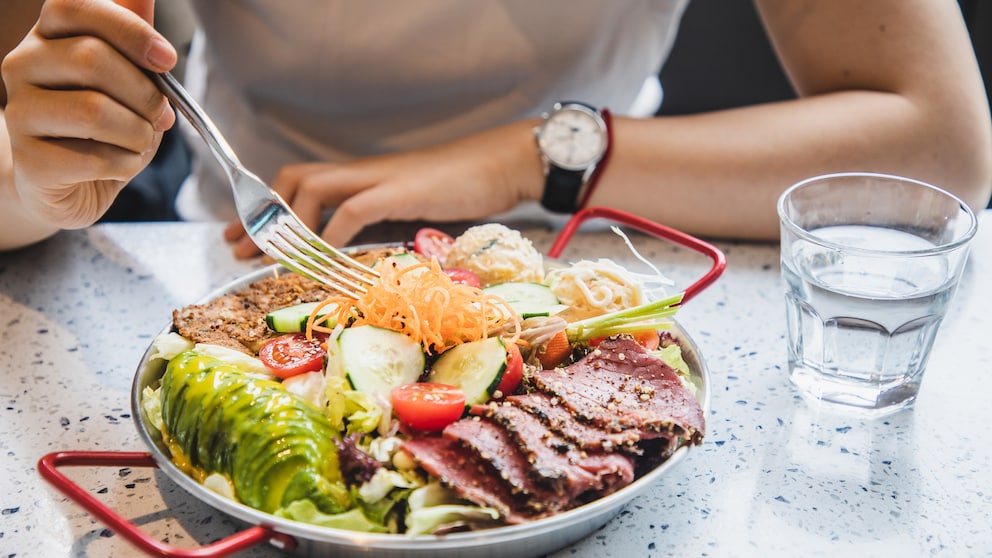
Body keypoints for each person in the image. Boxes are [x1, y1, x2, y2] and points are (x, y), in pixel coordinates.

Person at [2, 0, 990, 256]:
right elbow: (32, 115)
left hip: (590, 241)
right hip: (243, 252)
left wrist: (530, 157)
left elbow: (938, 145)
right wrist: (34, 176)